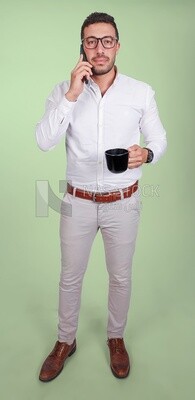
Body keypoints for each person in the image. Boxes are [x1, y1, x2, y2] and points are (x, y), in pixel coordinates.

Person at [35, 11, 167, 382]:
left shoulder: (140, 92)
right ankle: (65, 341)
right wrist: (72, 94)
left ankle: (116, 338)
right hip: (76, 202)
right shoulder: (64, 92)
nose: (99, 48)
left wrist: (148, 153)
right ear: (82, 47)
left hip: (123, 201)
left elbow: (159, 139)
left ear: (117, 45)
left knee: (120, 277)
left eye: (106, 40)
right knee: (70, 277)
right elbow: (44, 141)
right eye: (91, 41)